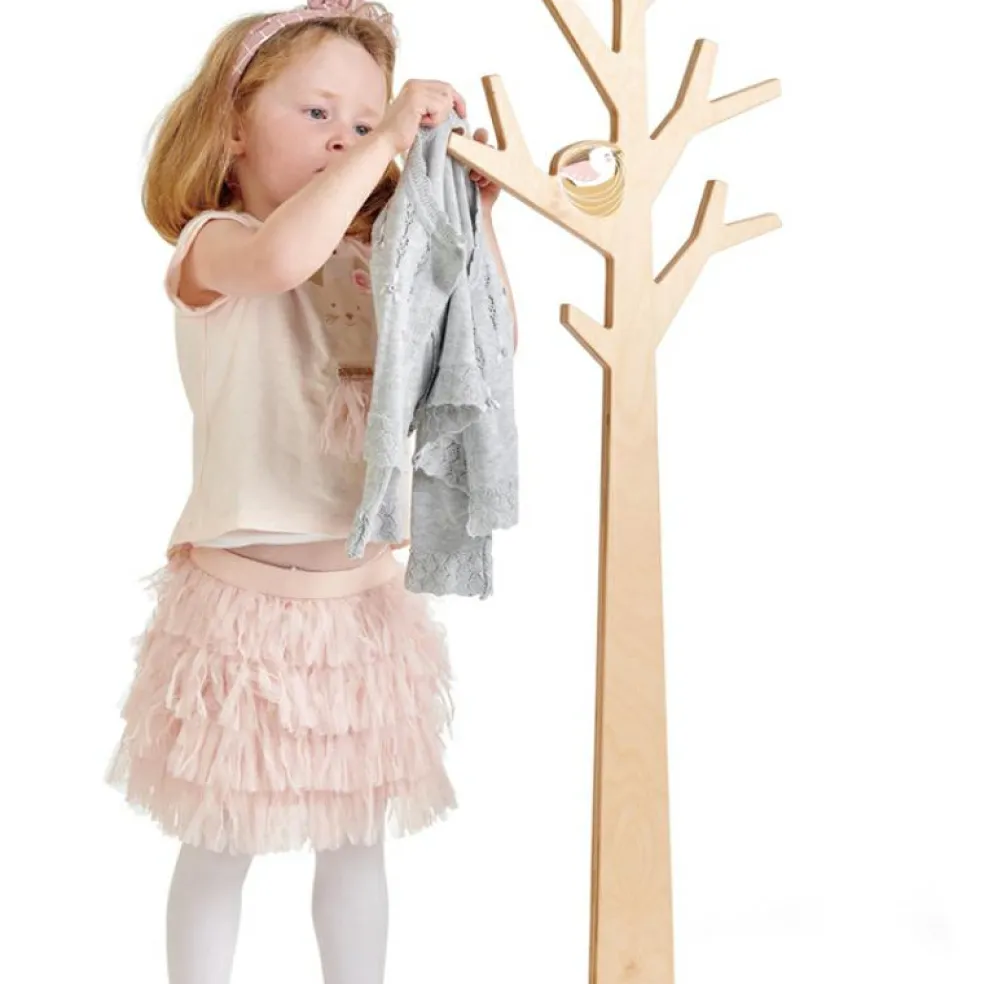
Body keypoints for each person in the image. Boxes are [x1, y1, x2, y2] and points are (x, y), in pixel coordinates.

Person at [103, 2, 517, 982]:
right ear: (234, 129)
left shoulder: (378, 258)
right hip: (241, 613)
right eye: (319, 112)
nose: (346, 135)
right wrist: (384, 141)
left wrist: (474, 222)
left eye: (364, 116)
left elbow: (488, 345)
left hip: (363, 605)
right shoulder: (215, 244)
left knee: (356, 838)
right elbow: (284, 258)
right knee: (222, 840)